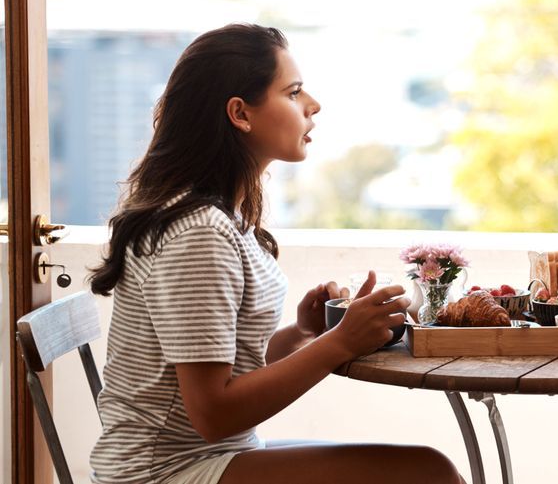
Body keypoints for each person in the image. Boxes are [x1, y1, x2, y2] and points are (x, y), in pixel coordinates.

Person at [88, 24, 464, 484]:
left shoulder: (222, 217)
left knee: (424, 469)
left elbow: (225, 367)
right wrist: (339, 342)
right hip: (163, 474)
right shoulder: (198, 233)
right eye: (293, 92)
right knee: (428, 474)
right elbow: (214, 414)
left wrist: (303, 332)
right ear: (240, 113)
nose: (313, 105)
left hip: (213, 457)